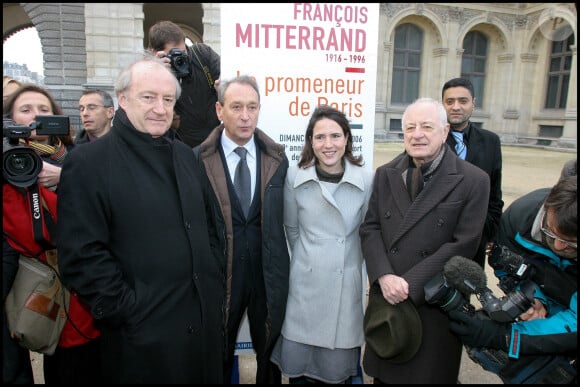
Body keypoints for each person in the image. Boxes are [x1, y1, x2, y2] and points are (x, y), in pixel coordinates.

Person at [56, 56, 224, 383]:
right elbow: (81, 257)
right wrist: (131, 311)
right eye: (148, 97)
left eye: (168, 100)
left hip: (201, 336)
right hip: (142, 344)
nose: (160, 109)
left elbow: (209, 226)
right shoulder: (89, 163)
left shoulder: (185, 155)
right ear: (122, 99)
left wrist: (213, 278)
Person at [359, 97, 490, 384]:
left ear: (444, 132)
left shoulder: (473, 180)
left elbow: (464, 243)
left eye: (427, 126)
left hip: (432, 303)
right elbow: (370, 229)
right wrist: (383, 275)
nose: (417, 134)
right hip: (389, 302)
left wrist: (409, 283)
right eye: (410, 128)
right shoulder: (385, 174)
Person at [194, 75, 290, 384]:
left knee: (270, 356)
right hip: (222, 276)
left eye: (252, 107)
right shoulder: (198, 159)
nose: (245, 116)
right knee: (216, 353)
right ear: (220, 110)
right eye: (236, 107)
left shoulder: (277, 158)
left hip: (266, 275)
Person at [3, 84, 101, 384]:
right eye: (26, 110)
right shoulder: (7, 165)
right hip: (34, 289)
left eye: (43, 110)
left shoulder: (79, 159)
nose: (35, 117)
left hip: (80, 291)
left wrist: (66, 176)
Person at [269, 105, 373, 384]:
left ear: (347, 139)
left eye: (335, 136)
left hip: (344, 290)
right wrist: (310, 261)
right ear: (310, 141)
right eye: (320, 137)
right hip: (306, 288)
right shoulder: (294, 176)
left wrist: (348, 268)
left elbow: (367, 233)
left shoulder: (365, 178)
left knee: (336, 374)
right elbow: (291, 228)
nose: (328, 144)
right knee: (300, 374)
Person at [449, 175, 577, 383]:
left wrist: (507, 337)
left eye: (571, 244)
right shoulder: (519, 217)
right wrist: (535, 300)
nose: (560, 247)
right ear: (547, 208)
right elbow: (504, 267)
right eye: (552, 234)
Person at [442, 77, 503, 269]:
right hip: (435, 240)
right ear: (442, 105)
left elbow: (494, 195)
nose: (456, 107)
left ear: (473, 104)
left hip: (474, 240)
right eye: (449, 102)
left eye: (463, 101)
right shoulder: (427, 140)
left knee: (465, 291)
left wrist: (489, 233)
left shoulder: (491, 142)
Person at [149, 20, 220, 148]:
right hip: (180, 147)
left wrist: (223, 86)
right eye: (174, 54)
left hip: (214, 142)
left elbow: (227, 80)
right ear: (156, 53)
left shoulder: (202, 54)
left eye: (184, 52)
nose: (181, 59)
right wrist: (156, 73)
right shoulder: (150, 73)